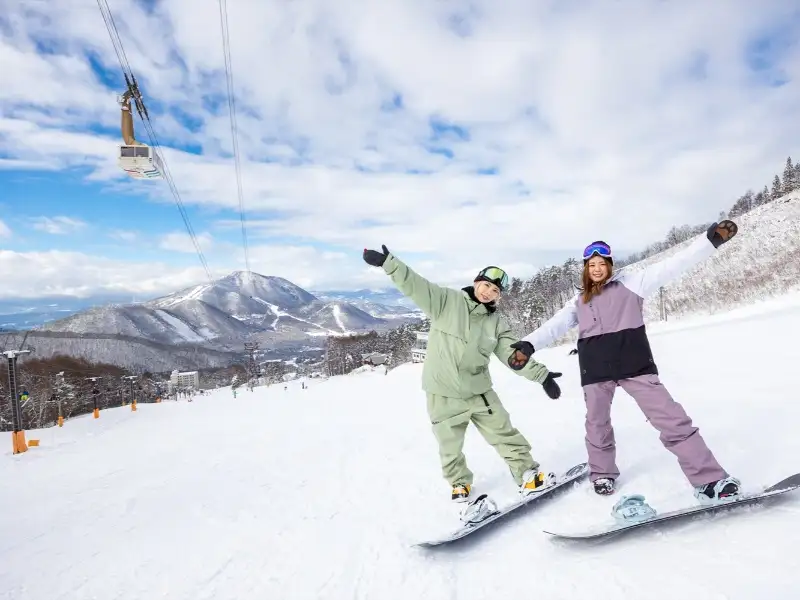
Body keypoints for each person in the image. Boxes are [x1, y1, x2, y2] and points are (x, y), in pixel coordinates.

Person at [507, 221, 741, 503]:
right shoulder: (578, 300)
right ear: (585, 268)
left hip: (635, 364)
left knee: (672, 419)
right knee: (597, 423)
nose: (596, 268)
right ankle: (602, 472)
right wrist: (528, 345)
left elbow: (675, 264)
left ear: (609, 265)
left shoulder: (633, 282)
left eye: (601, 263)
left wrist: (710, 241)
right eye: (591, 264)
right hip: (595, 369)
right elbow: (554, 327)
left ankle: (710, 480)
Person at [362, 244, 563, 502]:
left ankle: (526, 473)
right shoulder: (447, 301)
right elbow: (415, 284)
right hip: (442, 392)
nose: (489, 292)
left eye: (495, 290)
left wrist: (541, 375)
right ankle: (459, 483)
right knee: (449, 444)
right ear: (476, 282)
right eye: (486, 285)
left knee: (504, 432)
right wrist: (389, 263)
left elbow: (513, 355)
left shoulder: (496, 323)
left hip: (479, 392)